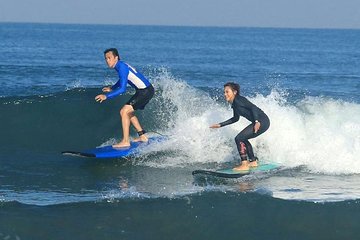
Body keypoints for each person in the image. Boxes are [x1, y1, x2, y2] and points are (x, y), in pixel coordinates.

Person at [95, 48, 154, 148]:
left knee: (124, 111)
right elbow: (122, 79)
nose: (107, 60)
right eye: (106, 58)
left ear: (116, 57)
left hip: (145, 91)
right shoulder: (120, 65)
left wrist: (106, 96)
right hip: (144, 90)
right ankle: (143, 136)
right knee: (129, 112)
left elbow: (122, 89)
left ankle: (125, 141)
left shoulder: (121, 66)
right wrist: (112, 88)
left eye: (109, 58)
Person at [210, 82, 270, 171]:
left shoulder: (239, 100)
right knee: (243, 138)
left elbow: (253, 107)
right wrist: (220, 125)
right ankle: (253, 161)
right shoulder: (234, 104)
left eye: (227, 92)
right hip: (261, 122)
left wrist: (257, 121)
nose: (225, 94)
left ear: (234, 92)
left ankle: (244, 164)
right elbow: (235, 118)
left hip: (262, 121)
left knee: (239, 138)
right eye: (224, 92)